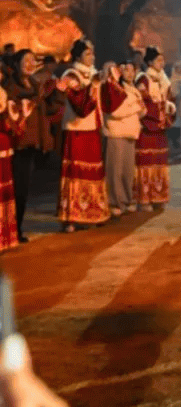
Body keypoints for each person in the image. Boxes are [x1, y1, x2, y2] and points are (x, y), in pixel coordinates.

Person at [5, 49, 64, 242]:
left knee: (23, 189)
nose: (30, 64)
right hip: (15, 143)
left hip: (32, 142)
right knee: (13, 189)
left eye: (33, 60)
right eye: (26, 60)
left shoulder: (36, 86)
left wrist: (58, 92)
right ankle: (10, 229)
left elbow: (49, 111)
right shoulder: (10, 86)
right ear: (17, 64)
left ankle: (17, 228)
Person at [57, 40, 109, 232]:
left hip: (93, 129)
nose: (92, 57)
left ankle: (92, 213)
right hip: (77, 130)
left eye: (93, 53)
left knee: (92, 172)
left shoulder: (94, 74)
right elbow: (81, 106)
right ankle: (72, 217)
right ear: (78, 56)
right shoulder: (72, 75)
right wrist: (93, 86)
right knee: (76, 173)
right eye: (88, 54)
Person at [100, 61, 145, 216]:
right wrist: (135, 107)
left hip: (131, 132)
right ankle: (114, 202)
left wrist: (137, 108)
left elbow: (141, 110)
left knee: (127, 171)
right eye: (126, 70)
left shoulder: (133, 89)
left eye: (133, 70)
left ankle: (126, 199)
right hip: (116, 133)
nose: (130, 73)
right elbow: (116, 111)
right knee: (115, 170)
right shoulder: (113, 88)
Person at [135, 47, 175, 211]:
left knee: (159, 162)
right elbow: (141, 102)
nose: (162, 63)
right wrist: (159, 109)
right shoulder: (143, 79)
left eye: (163, 60)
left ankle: (158, 196)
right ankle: (145, 199)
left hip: (160, 129)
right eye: (158, 60)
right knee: (146, 162)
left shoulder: (164, 79)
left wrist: (169, 106)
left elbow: (169, 98)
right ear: (150, 62)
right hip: (147, 128)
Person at [0, 85, 33, 251]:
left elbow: (15, 131)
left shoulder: (5, 96)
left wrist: (21, 117)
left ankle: (5, 237)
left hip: (5, 151)